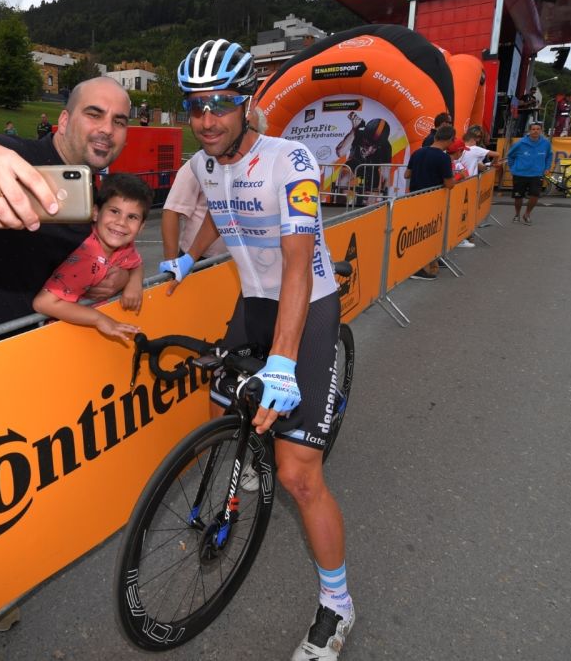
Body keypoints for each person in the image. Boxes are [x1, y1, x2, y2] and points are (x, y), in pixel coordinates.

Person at [161, 39, 353, 661]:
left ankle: (337, 605)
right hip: (254, 302)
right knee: (224, 407)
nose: (206, 118)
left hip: (307, 304)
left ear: (246, 104)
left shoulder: (290, 160)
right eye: (195, 106)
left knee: (298, 476)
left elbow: (298, 264)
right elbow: (219, 214)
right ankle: (249, 454)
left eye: (219, 103)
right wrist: (189, 256)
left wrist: (284, 361)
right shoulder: (205, 164)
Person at [0, 76, 132, 336]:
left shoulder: (97, 200)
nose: (107, 129)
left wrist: (119, 277)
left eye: (119, 121)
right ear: (64, 121)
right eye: (94, 114)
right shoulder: (9, 157)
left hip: (43, 350)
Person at [33, 173, 149, 341]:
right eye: (114, 211)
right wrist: (99, 319)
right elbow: (43, 303)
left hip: (89, 332)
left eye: (132, 217)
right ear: (95, 212)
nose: (121, 222)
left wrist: (134, 283)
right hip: (64, 336)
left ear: (141, 227)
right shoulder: (87, 257)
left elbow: (136, 263)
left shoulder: (125, 246)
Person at [405, 124, 458, 278]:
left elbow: (407, 174)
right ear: (450, 140)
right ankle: (419, 268)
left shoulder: (418, 152)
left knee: (417, 234)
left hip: (415, 198)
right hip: (431, 201)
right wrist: (459, 177)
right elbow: (449, 184)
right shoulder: (443, 157)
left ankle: (427, 262)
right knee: (426, 235)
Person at [161, 162, 229, 262]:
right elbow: (172, 211)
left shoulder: (246, 165)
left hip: (234, 257)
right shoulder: (196, 164)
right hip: (197, 259)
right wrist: (172, 264)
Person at [506, 122, 553, 225]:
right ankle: (517, 214)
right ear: (529, 131)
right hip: (520, 174)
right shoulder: (520, 143)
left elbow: (549, 156)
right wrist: (513, 168)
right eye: (533, 129)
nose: (535, 131)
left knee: (535, 196)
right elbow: (510, 156)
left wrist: (547, 168)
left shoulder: (546, 143)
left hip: (537, 174)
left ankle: (527, 214)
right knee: (518, 197)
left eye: (538, 129)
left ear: (541, 131)